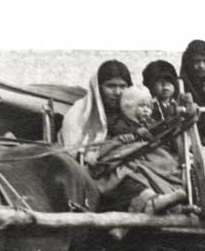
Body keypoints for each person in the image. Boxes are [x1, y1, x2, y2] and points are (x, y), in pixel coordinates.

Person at [59, 60, 186, 216]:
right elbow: (75, 147)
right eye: (111, 86)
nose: (118, 92)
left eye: (122, 86)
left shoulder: (131, 111)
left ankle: (168, 202)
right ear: (99, 87)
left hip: (130, 158)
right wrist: (92, 153)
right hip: (97, 168)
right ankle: (148, 200)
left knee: (155, 162)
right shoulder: (82, 111)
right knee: (125, 171)